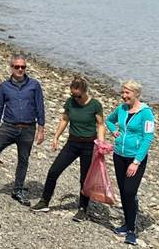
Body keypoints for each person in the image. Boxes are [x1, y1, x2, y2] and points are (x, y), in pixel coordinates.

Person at [0, 53, 45, 206]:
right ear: (11, 67)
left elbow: (40, 107)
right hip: (8, 127)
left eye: (23, 67)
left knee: (23, 159)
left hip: (28, 129)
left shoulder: (34, 85)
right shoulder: (4, 86)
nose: (20, 69)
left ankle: (18, 189)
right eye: (17, 67)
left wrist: (41, 129)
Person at [31, 76, 105, 221]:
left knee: (85, 179)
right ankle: (44, 202)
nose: (75, 97)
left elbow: (100, 125)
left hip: (89, 145)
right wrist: (56, 137)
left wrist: (101, 143)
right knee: (53, 171)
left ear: (85, 92)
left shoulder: (95, 105)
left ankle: (83, 209)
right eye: (72, 94)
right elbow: (65, 119)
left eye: (78, 95)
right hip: (72, 143)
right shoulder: (70, 102)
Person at [106, 80, 155, 245]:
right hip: (119, 155)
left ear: (136, 94)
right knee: (123, 191)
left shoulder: (146, 113)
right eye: (123, 92)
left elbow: (148, 138)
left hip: (135, 158)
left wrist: (136, 162)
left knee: (129, 192)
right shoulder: (121, 108)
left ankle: (132, 231)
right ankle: (126, 224)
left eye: (128, 93)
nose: (124, 95)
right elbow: (109, 120)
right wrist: (114, 131)